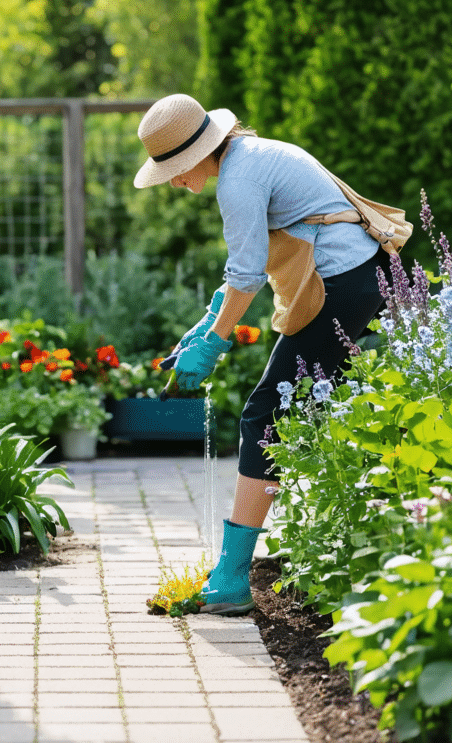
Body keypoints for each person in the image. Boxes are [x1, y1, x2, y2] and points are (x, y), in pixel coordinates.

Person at [133, 93, 391, 615]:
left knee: (265, 414)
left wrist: (214, 343)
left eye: (175, 170)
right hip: (357, 280)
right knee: (316, 408)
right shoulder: (250, 158)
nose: (175, 182)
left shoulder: (239, 180)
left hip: (342, 285)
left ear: (198, 151)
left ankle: (232, 577)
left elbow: (247, 275)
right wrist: (205, 325)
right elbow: (244, 267)